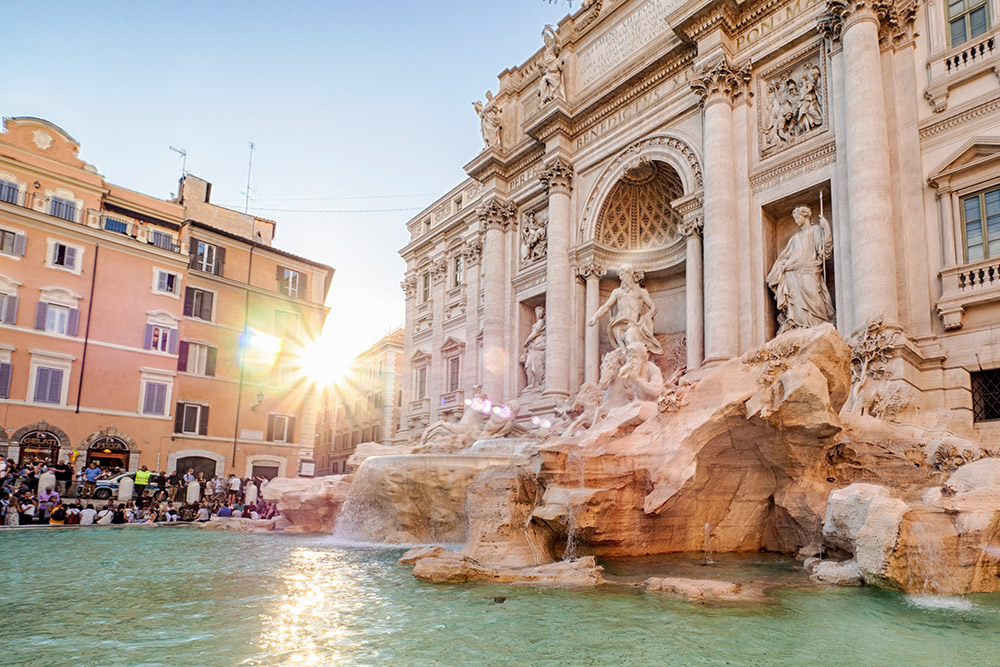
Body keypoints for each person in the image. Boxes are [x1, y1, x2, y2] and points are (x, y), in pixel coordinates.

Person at [766, 205, 834, 334]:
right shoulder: (794, 238)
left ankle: (818, 326)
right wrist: (782, 267)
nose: (796, 221)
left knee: (815, 296)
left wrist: (827, 229)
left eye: (797, 217)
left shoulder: (816, 230)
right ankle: (798, 326)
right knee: (795, 300)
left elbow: (825, 251)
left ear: (805, 216)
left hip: (810, 270)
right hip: (793, 273)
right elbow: (784, 256)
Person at [587, 264, 663, 356]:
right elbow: (606, 306)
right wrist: (595, 317)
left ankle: (633, 367)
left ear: (629, 274)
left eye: (622, 274)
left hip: (633, 324)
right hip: (618, 324)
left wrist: (646, 317)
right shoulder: (617, 292)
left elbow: (653, 307)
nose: (620, 277)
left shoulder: (641, 292)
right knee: (623, 351)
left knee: (629, 340)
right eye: (620, 275)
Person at [520, 306, 546, 389]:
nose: (538, 314)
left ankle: (538, 383)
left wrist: (526, 342)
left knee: (536, 363)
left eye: (540, 312)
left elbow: (535, 333)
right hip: (534, 345)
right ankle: (532, 384)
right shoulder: (536, 323)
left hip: (539, 343)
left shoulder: (541, 322)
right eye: (537, 312)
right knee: (529, 363)